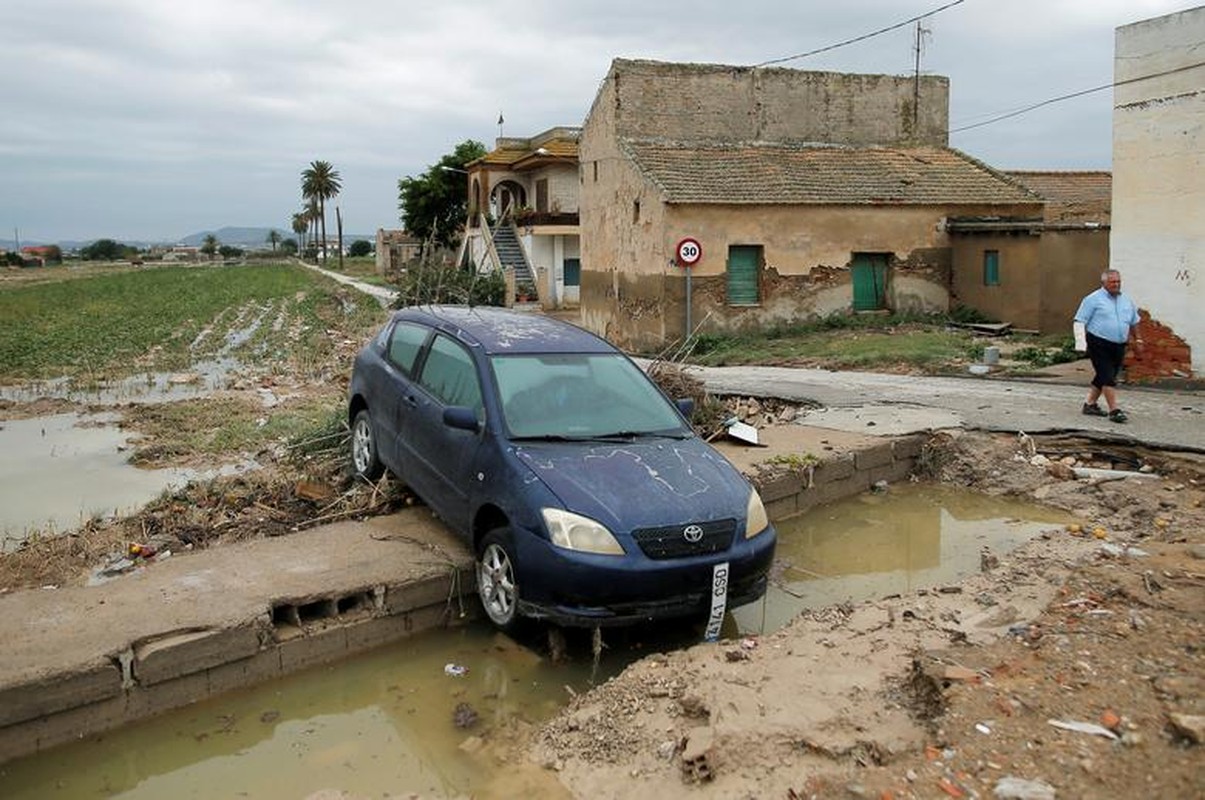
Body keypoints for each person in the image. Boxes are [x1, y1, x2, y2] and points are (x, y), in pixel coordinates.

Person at [1073, 269, 1143, 423]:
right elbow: (1079, 321)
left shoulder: (1126, 300)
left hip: (1119, 344)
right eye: (1112, 282)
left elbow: (1134, 320)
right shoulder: (1092, 299)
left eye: (1118, 282)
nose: (1116, 285)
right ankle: (1114, 410)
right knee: (1107, 375)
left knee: (1105, 374)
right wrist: (1081, 344)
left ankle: (1090, 404)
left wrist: (1138, 340)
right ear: (1104, 283)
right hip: (1098, 342)